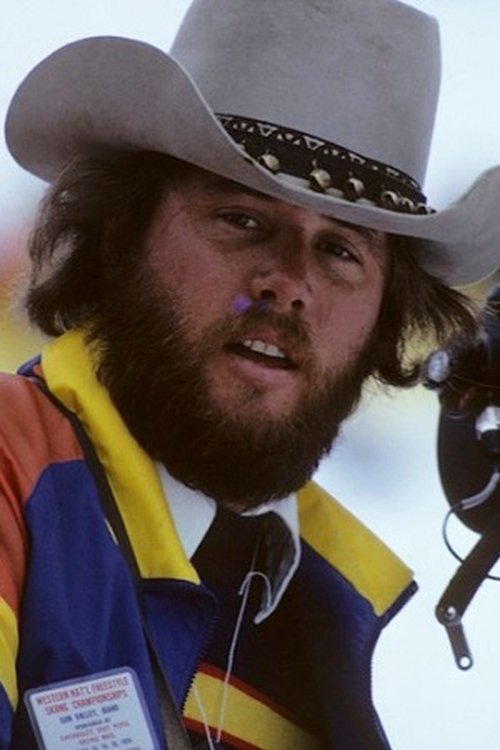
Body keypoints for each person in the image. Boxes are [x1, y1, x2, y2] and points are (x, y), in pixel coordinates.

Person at [1, 0, 500, 748]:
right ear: (119, 235)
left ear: (385, 320)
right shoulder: (12, 467)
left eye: (341, 251)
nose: (289, 283)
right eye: (242, 220)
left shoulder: (324, 604)